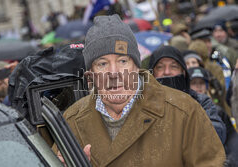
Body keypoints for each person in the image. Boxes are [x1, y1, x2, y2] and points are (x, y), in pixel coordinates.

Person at [54, 15, 225, 166]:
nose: (113, 73)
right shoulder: (70, 123)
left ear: (137, 66)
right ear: (90, 75)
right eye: (102, 64)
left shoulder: (184, 111)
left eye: (122, 61)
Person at [148, 45, 226, 144]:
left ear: (183, 72)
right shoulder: (143, 103)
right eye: (160, 67)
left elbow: (217, 133)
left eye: (173, 66)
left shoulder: (200, 101)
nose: (167, 72)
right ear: (152, 73)